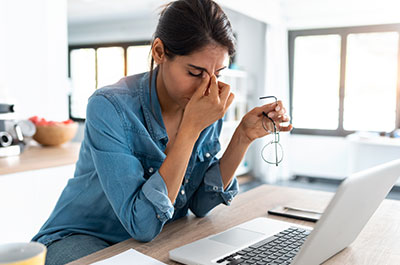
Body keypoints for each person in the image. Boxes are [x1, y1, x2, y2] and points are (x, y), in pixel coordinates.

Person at [32, 0, 292, 264]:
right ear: (159, 51)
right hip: (82, 237)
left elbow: (201, 204)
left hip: (153, 239)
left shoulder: (203, 104)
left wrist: (242, 137)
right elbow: (141, 224)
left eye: (218, 73)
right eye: (195, 72)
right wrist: (190, 129)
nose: (208, 87)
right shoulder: (109, 106)